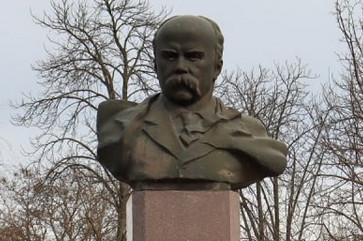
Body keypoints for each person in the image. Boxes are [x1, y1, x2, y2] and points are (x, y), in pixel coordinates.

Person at [96, 14, 287, 189]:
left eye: (193, 57)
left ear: (217, 67)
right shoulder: (122, 127)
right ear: (155, 64)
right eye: (170, 56)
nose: (180, 67)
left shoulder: (247, 131)